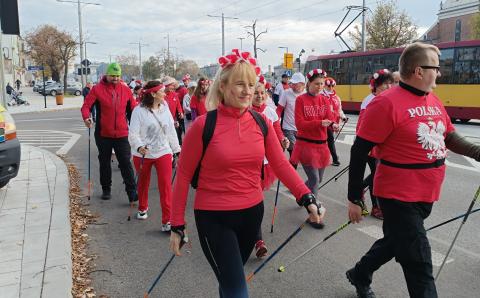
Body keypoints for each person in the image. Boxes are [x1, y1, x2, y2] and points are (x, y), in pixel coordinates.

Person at [169, 49, 325, 298]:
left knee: (231, 281)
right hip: (214, 217)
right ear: (222, 86)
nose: (247, 90)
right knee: (236, 289)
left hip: (251, 215)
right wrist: (176, 223)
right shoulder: (203, 126)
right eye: (240, 84)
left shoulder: (260, 122)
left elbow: (281, 165)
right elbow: (183, 175)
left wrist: (307, 197)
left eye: (251, 84)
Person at [346, 42, 480, 298]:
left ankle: (360, 273)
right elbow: (359, 150)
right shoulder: (385, 103)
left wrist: (478, 153)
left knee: (397, 241)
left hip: (426, 193)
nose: (439, 73)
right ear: (419, 71)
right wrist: (354, 197)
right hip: (397, 195)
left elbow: (449, 136)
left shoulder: (433, 100)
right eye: (436, 68)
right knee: (419, 260)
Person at [81, 62, 138, 201]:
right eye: (113, 75)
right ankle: (106, 189)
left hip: (122, 133)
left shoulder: (125, 90)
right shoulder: (97, 89)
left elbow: (134, 110)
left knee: (125, 162)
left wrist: (139, 125)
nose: (115, 78)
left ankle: (132, 192)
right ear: (106, 75)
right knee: (105, 162)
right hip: (103, 134)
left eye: (118, 76)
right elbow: (86, 106)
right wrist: (86, 117)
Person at [128, 80, 180, 231]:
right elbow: (133, 133)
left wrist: (177, 150)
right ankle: (142, 207)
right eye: (162, 91)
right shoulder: (139, 111)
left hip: (163, 151)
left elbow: (170, 130)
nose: (165, 93)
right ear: (153, 94)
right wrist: (139, 146)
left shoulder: (165, 108)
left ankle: (167, 221)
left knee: (165, 186)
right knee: (143, 183)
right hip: (143, 153)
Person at [290, 69, 336, 228]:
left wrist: (333, 124)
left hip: (322, 146)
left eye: (322, 84)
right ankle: (313, 215)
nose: (319, 86)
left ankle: (301, 194)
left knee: (317, 179)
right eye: (316, 84)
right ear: (309, 83)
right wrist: (319, 123)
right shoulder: (301, 100)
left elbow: (330, 117)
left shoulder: (325, 99)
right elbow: (299, 124)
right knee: (315, 180)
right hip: (306, 145)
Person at [251, 79, 290, 258]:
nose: (259, 97)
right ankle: (257, 239)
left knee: (256, 200)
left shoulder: (270, 111)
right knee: (253, 201)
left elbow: (277, 131)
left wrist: (283, 140)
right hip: (249, 163)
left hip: (265, 163)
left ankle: (257, 239)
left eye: (262, 94)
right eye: (256, 93)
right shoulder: (245, 111)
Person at [357, 69, 394, 220]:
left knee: (377, 175)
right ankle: (376, 207)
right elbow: (362, 125)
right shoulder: (369, 100)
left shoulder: (385, 98)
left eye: (390, 84)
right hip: (370, 145)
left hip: (380, 145)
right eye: (385, 84)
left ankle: (359, 189)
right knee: (377, 176)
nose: (389, 87)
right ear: (376, 85)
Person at [275, 72, 306, 159]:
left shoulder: (306, 95)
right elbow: (279, 109)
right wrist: (275, 122)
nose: (293, 85)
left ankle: (290, 168)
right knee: (293, 150)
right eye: (292, 83)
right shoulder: (286, 93)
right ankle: (291, 170)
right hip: (288, 128)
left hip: (301, 128)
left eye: (296, 84)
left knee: (299, 153)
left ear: (303, 84)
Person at [322, 77, 346, 166]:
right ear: (325, 85)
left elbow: (340, 110)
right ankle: (335, 159)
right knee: (330, 140)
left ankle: (325, 157)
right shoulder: (321, 96)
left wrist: (343, 117)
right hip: (325, 122)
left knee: (328, 141)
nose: (331, 87)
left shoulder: (337, 97)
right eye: (328, 85)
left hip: (335, 122)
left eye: (332, 85)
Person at [162, 76, 184, 145]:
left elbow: (178, 105)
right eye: (172, 85)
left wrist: (180, 112)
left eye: (174, 85)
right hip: (163, 121)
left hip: (173, 119)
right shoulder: (161, 95)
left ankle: (175, 152)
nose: (174, 87)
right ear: (166, 85)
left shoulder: (174, 94)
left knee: (175, 136)